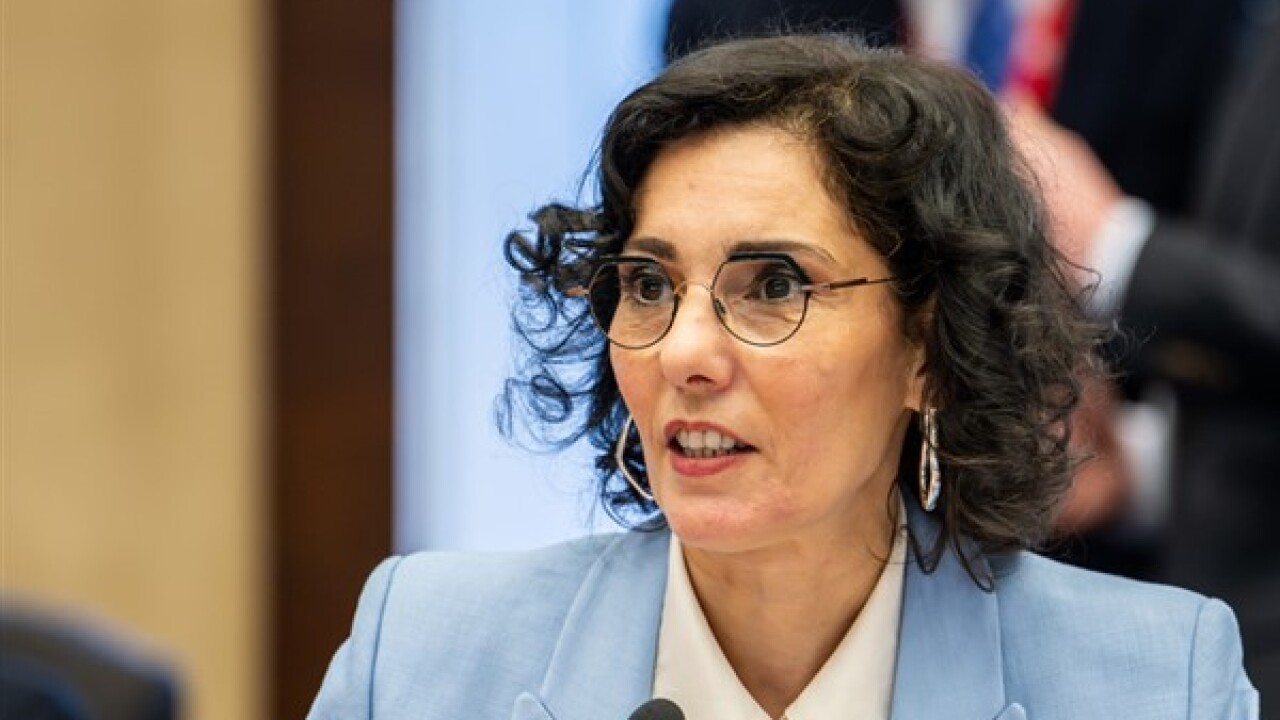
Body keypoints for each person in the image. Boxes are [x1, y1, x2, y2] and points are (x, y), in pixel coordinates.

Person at [308, 35, 1259, 719]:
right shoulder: (423, 654)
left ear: (929, 348)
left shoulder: (1157, 682)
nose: (683, 352)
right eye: (649, 285)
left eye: (773, 287)